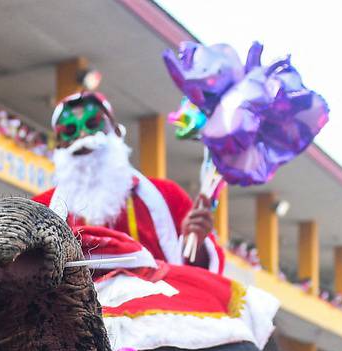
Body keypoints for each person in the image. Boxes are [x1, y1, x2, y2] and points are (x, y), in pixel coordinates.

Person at [34, 89, 221, 271]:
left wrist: (196, 242)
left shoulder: (169, 195)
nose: (83, 136)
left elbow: (201, 274)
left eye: (92, 124)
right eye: (70, 130)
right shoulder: (39, 211)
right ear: (58, 144)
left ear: (116, 132)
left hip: (154, 300)